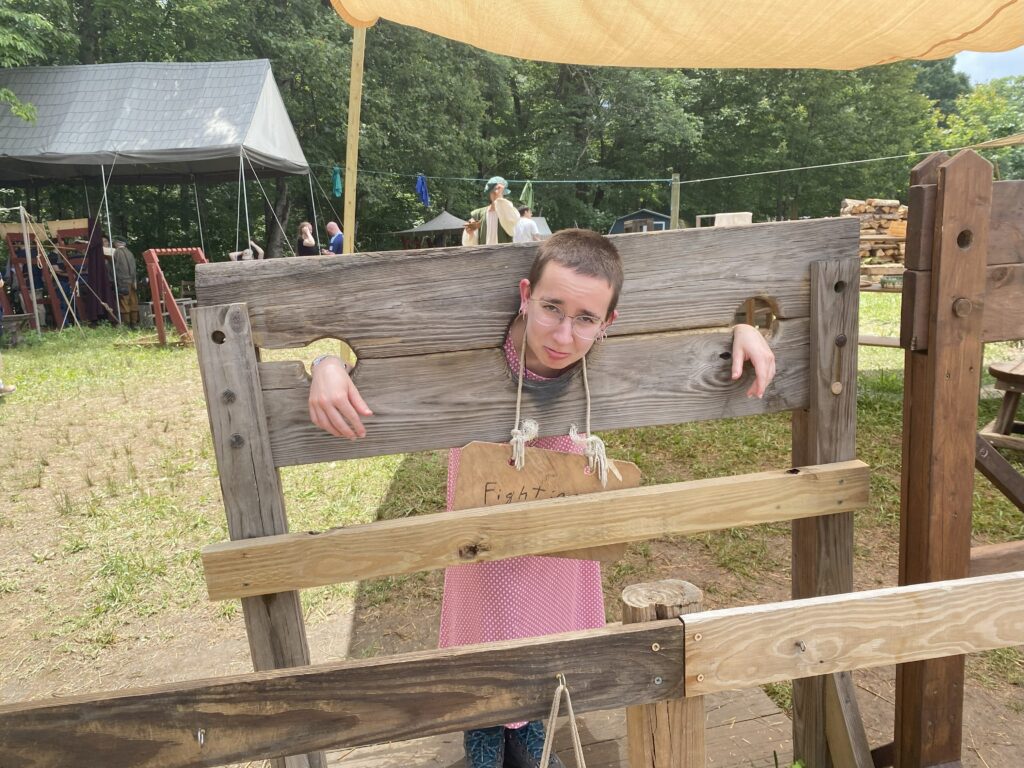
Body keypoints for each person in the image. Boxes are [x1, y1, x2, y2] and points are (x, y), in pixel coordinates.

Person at [307, 229, 775, 768]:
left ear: (609, 324)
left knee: (551, 619)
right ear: (525, 295)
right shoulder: (475, 341)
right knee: (488, 617)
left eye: (586, 318)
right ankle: (483, 731)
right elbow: (366, 323)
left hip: (564, 503)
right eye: (552, 307)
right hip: (489, 505)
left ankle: (535, 730)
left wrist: (743, 326)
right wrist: (326, 360)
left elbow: (701, 323)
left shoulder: (601, 350)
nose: (562, 333)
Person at [463, 176, 520, 246]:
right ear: (489, 193)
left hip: (504, 255)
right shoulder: (478, 214)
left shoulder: (509, 211)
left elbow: (511, 227)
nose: (495, 194)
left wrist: (499, 197)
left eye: (499, 191)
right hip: (484, 255)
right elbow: (469, 244)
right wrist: (470, 234)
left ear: (503, 193)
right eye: (493, 192)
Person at [110, 238, 139, 327]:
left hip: (122, 281)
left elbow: (114, 268)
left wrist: (113, 281)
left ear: (117, 243)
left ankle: (126, 324)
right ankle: (134, 322)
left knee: (124, 302)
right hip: (132, 281)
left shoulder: (116, 252)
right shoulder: (130, 253)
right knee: (133, 301)